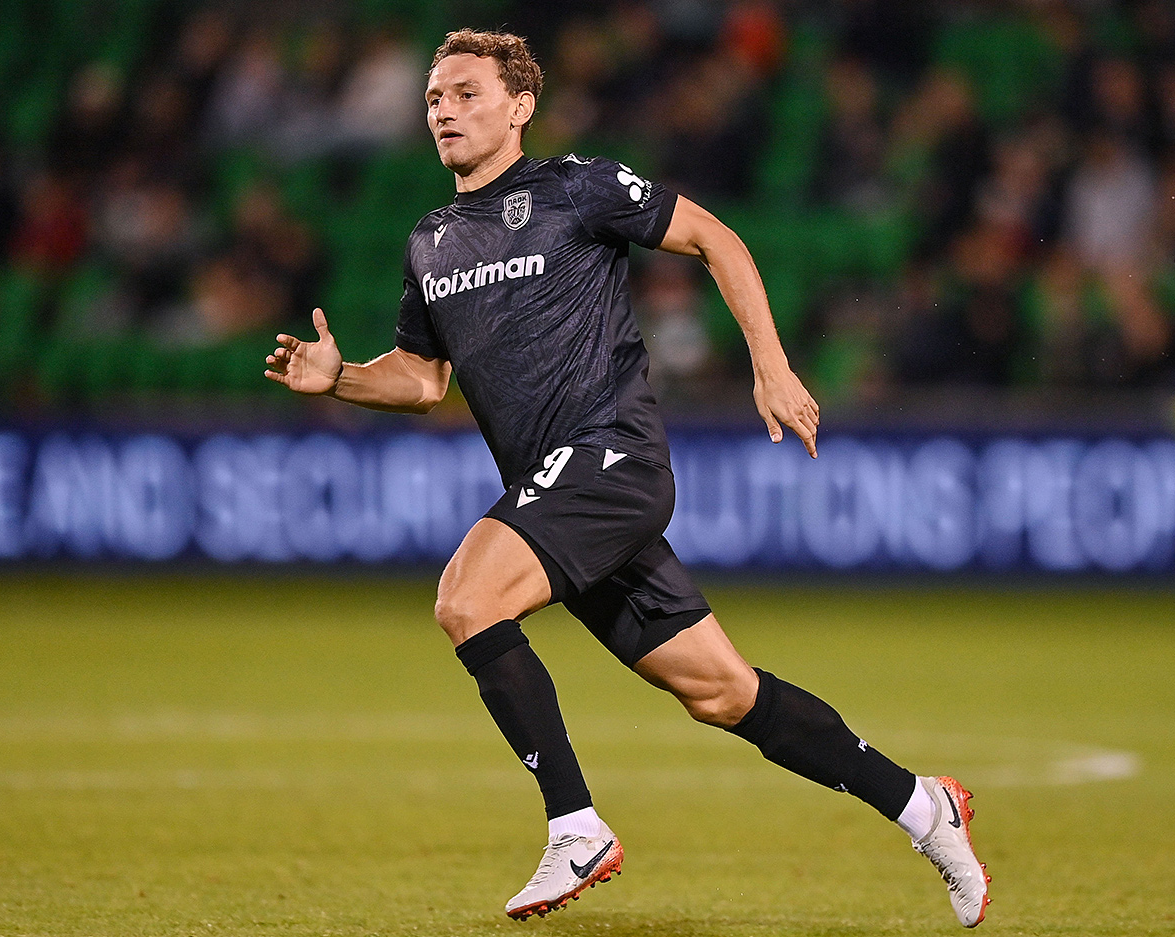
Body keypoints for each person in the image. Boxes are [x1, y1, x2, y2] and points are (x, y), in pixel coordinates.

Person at [265, 29, 990, 928]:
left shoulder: (578, 188)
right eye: (434, 98)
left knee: (466, 597)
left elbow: (716, 239)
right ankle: (923, 805)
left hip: (611, 457)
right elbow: (422, 379)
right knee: (722, 692)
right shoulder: (431, 241)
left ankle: (574, 825)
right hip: (560, 492)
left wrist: (770, 364)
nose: (443, 110)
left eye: (465, 93)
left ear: (520, 106)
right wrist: (340, 376)